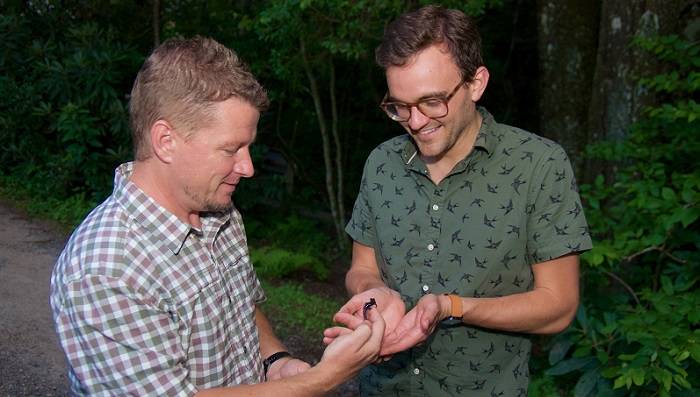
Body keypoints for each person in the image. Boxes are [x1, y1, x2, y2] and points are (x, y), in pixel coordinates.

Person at [50, 36, 384, 397]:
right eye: (230, 149)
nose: (248, 167)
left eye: (248, 146)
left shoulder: (218, 210)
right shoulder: (105, 269)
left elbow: (241, 311)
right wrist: (326, 376)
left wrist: (276, 362)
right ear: (165, 140)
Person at [323, 5, 593, 396]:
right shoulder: (381, 163)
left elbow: (559, 306)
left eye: (432, 102)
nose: (415, 122)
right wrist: (375, 294)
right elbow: (361, 268)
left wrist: (451, 306)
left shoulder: (539, 165)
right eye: (399, 105)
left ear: (476, 83)